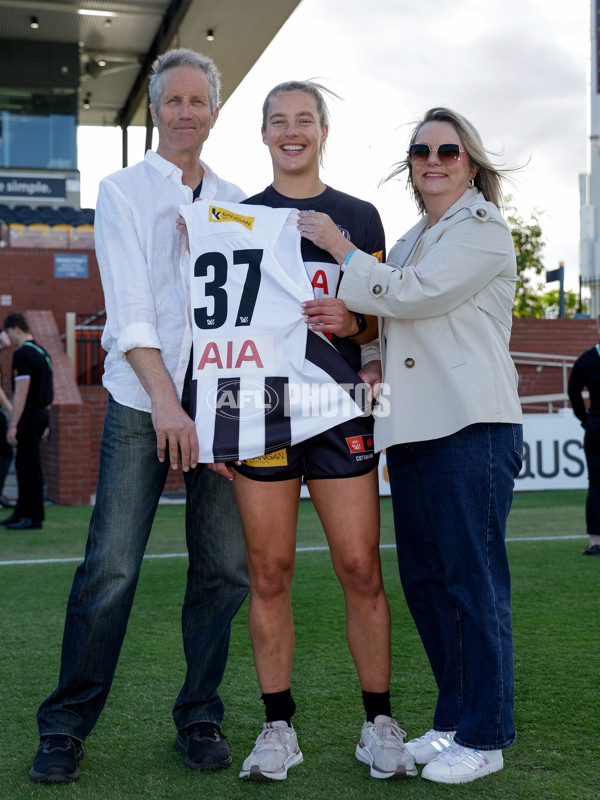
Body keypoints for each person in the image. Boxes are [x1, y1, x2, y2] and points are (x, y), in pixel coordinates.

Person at [29, 48, 249, 784]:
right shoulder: (122, 191)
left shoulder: (237, 199)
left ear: (214, 111)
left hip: (218, 405)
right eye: (172, 100)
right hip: (139, 401)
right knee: (112, 567)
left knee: (223, 568)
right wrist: (165, 405)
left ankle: (200, 715)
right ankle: (64, 726)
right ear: (154, 108)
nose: (186, 112)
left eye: (198, 100)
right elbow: (128, 315)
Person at [306, 107, 523, 784]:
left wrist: (341, 249)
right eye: (421, 150)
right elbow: (384, 316)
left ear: (472, 163)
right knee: (428, 584)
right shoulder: (411, 237)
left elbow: (414, 296)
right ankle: (455, 721)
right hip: (414, 430)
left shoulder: (481, 229)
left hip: (471, 427)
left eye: (448, 151)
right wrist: (369, 355)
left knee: (474, 584)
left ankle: (486, 737)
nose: (433, 159)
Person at [227, 81, 416, 782]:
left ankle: (379, 723)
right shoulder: (237, 217)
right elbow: (223, 333)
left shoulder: (359, 215)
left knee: (361, 568)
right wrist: (225, 431)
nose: (292, 131)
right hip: (266, 409)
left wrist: (356, 329)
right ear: (265, 133)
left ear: (324, 129)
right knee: (269, 571)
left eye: (304, 119)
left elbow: (384, 317)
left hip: (341, 408)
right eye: (279, 121)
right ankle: (278, 728)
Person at [0, 313, 52, 530]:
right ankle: (21, 512)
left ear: (16, 329)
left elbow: (21, 392)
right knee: (24, 465)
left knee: (29, 467)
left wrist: (13, 424)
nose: (8, 338)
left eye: (8, 332)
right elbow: (49, 389)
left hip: (28, 416)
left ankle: (32, 517)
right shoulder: (42, 352)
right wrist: (46, 421)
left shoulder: (23, 353)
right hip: (40, 414)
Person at [568, 317, 600, 555]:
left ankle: (596, 541)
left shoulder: (586, 360)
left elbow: (573, 393)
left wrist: (585, 419)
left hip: (596, 428)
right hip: (595, 426)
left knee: (596, 486)